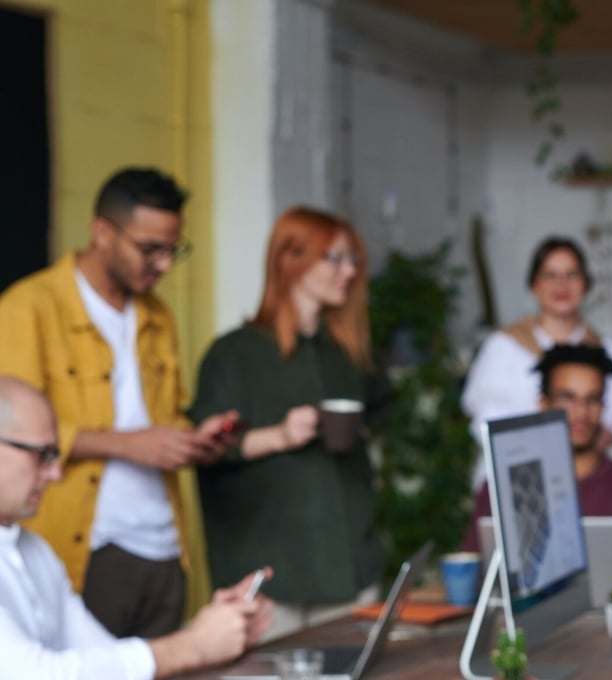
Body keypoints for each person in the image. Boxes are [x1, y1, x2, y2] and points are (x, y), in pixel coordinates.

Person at [0, 167, 240, 638]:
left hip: (166, 548)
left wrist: (192, 441)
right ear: (102, 233)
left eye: (174, 250)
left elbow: (161, 417)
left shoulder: (158, 316)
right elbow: (13, 435)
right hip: (87, 549)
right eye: (151, 249)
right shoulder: (28, 308)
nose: (165, 265)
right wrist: (128, 445)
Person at [188, 207, 388, 641]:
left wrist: (360, 430)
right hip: (272, 573)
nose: (349, 271)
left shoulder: (348, 353)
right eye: (334, 258)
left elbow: (381, 411)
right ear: (289, 259)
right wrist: (279, 435)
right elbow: (204, 447)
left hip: (350, 562)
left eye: (353, 259)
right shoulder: (235, 353)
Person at [0, 376, 273, 679]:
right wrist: (193, 646)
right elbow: (34, 675)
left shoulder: (36, 553)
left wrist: (213, 634)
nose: (56, 472)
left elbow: (99, 656)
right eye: (43, 455)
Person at [463, 344, 612, 594]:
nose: (581, 413)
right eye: (567, 398)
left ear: (603, 408)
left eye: (592, 400)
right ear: (543, 404)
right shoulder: (501, 487)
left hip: (609, 628)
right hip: (525, 628)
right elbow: (473, 578)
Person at [461, 236, 612, 483]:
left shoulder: (605, 351)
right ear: (534, 286)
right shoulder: (503, 346)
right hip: (511, 478)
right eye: (550, 275)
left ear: (585, 284)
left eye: (571, 274)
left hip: (582, 482)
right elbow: (487, 423)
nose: (561, 284)